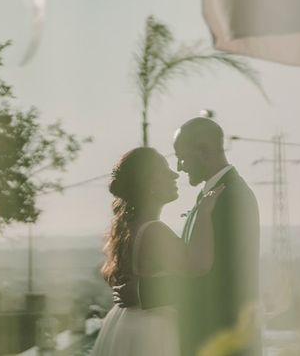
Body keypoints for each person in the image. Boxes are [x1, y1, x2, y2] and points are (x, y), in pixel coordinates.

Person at [92, 147, 223, 356]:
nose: (175, 174)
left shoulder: (130, 227)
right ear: (149, 183)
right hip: (150, 331)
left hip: (128, 324)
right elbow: (198, 265)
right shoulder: (153, 231)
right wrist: (205, 213)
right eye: (165, 171)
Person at [163, 117, 261, 356]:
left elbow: (214, 273)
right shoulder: (216, 193)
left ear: (203, 151)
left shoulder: (232, 197)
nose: (179, 167)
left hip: (219, 335)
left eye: (182, 157)